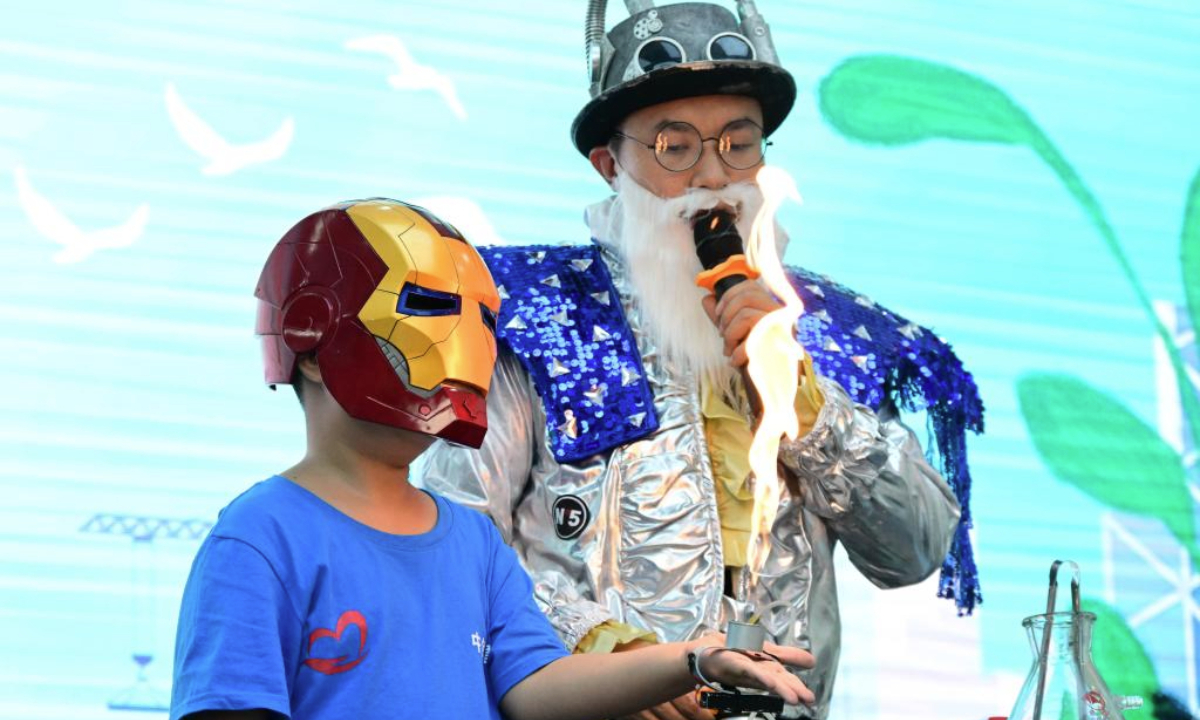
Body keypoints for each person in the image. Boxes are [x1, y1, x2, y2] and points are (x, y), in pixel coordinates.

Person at [415, 2, 985, 719]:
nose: (714, 176)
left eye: (739, 145)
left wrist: (801, 396)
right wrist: (601, 652)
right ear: (609, 163)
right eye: (675, 148)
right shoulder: (534, 317)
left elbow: (916, 550)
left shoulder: (827, 332)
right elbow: (452, 536)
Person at [168, 198, 817, 720]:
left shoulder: (473, 542)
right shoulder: (261, 536)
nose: (469, 343)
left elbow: (537, 686)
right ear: (309, 336)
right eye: (426, 305)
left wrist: (693, 661)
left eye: (484, 318)